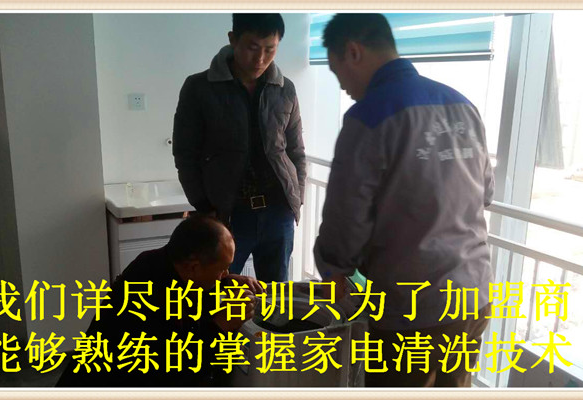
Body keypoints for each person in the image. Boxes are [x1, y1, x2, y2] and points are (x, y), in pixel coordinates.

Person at [313, 14, 495, 387]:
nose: (342, 85)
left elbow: (346, 219)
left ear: (353, 52)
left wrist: (333, 269)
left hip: (412, 305)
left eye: (337, 71)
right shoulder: (463, 105)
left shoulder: (368, 117)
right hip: (473, 295)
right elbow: (486, 193)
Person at [172, 13, 306, 284]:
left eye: (270, 49)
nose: (260, 59)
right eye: (252, 48)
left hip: (278, 211)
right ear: (233, 40)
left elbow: (296, 150)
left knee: (276, 294)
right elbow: (185, 154)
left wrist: (297, 196)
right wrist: (204, 206)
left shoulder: (285, 89)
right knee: (215, 291)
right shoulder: (199, 88)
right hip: (227, 214)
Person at [56, 215, 263, 387]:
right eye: (222, 269)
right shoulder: (148, 296)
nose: (226, 273)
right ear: (193, 267)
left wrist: (225, 282)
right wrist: (221, 325)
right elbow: (174, 370)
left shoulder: (165, 261)